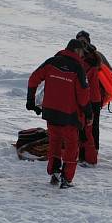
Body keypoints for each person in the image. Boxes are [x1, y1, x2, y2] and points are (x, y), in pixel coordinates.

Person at [26, 39, 95, 189]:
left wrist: (30, 100)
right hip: (69, 115)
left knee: (55, 142)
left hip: (50, 112)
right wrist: (89, 114)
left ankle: (54, 173)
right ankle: (67, 179)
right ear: (76, 51)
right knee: (71, 146)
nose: (82, 55)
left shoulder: (51, 62)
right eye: (82, 52)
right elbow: (83, 96)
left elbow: (33, 79)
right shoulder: (78, 68)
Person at [75, 30, 112, 165]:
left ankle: (82, 153)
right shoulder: (98, 56)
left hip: (81, 97)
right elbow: (110, 71)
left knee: (81, 124)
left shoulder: (75, 55)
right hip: (95, 97)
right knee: (93, 125)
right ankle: (93, 151)